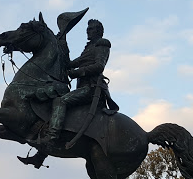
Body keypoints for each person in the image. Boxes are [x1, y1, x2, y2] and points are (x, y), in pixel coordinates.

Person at [18, 19, 118, 168]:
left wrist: (77, 72)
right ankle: (40, 156)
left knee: (61, 102)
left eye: (91, 29)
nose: (88, 31)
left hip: (92, 88)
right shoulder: (88, 47)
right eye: (88, 28)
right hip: (82, 88)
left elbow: (99, 66)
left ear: (98, 31)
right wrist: (62, 43)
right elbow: (69, 64)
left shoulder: (102, 43)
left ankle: (51, 137)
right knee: (57, 105)